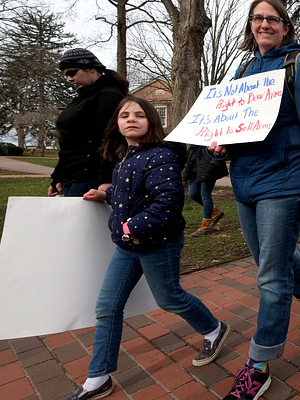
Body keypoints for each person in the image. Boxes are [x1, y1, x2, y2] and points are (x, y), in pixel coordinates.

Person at [207, 0, 300, 400]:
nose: (264, 24)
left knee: (271, 276)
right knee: (270, 260)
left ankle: (258, 365)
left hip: (284, 182)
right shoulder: (244, 69)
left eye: (272, 19)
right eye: (257, 18)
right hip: (245, 182)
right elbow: (239, 127)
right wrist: (224, 147)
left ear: (285, 25)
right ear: (251, 25)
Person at [63, 97, 228, 400]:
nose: (131, 119)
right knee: (107, 307)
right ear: (117, 123)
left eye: (140, 115)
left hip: (158, 244)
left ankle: (214, 329)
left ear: (152, 121)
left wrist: (128, 229)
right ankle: (98, 378)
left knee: (169, 298)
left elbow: (166, 204)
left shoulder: (161, 156)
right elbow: (132, 196)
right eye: (124, 115)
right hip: (129, 246)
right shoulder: (125, 157)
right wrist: (109, 195)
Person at [49, 48, 128, 197]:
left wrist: (105, 179)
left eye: (71, 73)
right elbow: (69, 143)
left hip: (90, 178)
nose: (69, 79)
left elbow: (113, 139)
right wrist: (58, 176)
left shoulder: (109, 96)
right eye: (66, 74)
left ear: (91, 68)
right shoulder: (83, 96)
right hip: (71, 176)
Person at [183, 145, 227, 236]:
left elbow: (219, 151)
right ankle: (216, 211)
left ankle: (206, 225)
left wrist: (213, 164)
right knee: (193, 193)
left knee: (205, 194)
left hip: (209, 166)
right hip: (196, 167)